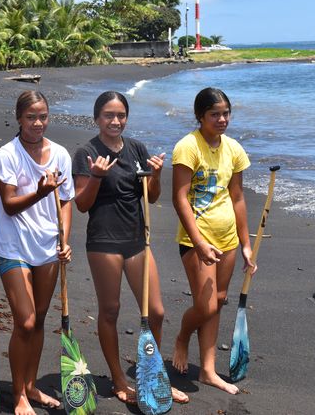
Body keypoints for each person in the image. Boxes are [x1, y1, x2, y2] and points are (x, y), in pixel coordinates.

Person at [72, 91, 188, 405]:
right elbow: (82, 204)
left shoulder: (136, 149)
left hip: (137, 239)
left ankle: (150, 375)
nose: (115, 121)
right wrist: (96, 176)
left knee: (156, 312)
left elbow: (150, 197)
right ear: (97, 118)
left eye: (121, 115)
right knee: (110, 311)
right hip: (104, 241)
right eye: (108, 115)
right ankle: (119, 380)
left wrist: (157, 175)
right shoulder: (86, 152)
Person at [170, 87, 256, 394]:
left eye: (226, 113)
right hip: (197, 239)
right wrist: (198, 240)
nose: (222, 119)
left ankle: (207, 370)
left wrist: (245, 244)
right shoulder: (187, 147)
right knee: (205, 307)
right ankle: (182, 337)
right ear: (200, 116)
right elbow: (179, 198)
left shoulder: (234, 149)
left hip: (228, 238)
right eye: (214, 114)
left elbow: (237, 198)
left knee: (218, 302)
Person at [0, 90, 73, 415]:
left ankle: (31, 385)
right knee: (24, 322)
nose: (37, 123)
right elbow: (10, 206)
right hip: (14, 247)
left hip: (48, 248)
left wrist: (64, 237)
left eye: (43, 116)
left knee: (39, 320)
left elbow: (65, 201)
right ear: (19, 118)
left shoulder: (62, 154)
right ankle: (18, 395)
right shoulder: (7, 155)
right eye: (30, 117)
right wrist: (40, 192)